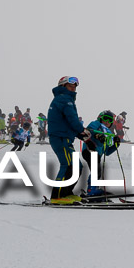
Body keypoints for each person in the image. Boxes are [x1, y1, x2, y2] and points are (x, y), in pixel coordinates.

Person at [47, 76, 90, 204]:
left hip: (64, 138)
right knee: (68, 165)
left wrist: (79, 134)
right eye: (70, 85)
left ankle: (66, 193)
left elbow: (66, 123)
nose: (73, 88)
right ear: (63, 86)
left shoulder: (64, 99)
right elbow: (72, 119)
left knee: (77, 166)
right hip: (60, 138)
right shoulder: (64, 99)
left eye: (75, 86)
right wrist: (81, 130)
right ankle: (57, 196)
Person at [82, 110, 121, 197]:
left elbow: (107, 152)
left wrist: (116, 145)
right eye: (105, 119)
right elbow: (89, 130)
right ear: (100, 118)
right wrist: (97, 135)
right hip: (89, 150)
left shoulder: (109, 133)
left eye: (110, 120)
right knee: (96, 169)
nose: (107, 122)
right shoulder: (96, 124)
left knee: (97, 171)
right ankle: (91, 190)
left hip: (97, 154)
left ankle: (92, 189)